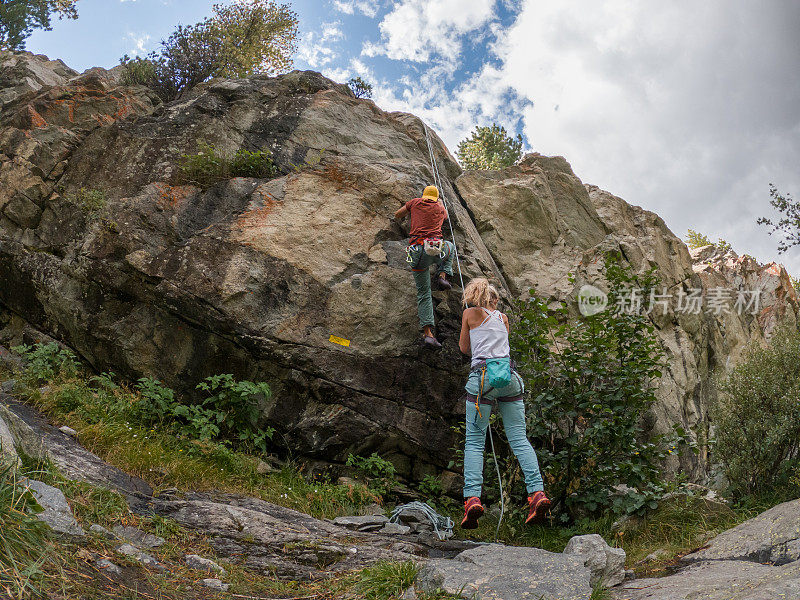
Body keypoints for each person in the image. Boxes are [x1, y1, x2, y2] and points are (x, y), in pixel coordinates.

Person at [458, 277, 550, 528]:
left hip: (483, 378)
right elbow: (502, 346)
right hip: (509, 378)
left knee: (475, 442)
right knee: (519, 439)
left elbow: (465, 348)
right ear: (494, 300)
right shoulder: (503, 318)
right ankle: (537, 494)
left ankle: (473, 499)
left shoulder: (469, 314)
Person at [394, 185, 455, 348]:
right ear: (435, 199)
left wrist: (410, 212)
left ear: (424, 196)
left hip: (417, 252)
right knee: (451, 247)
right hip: (436, 249)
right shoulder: (439, 206)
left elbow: (398, 214)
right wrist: (440, 202)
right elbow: (446, 217)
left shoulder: (415, 202)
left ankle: (428, 334)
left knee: (424, 292)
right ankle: (443, 275)